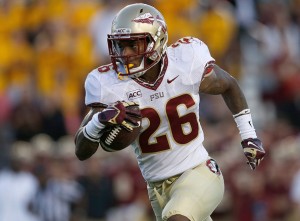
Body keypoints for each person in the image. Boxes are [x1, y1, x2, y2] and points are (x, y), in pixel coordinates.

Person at [74, 3, 266, 221]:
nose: (124, 54)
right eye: (120, 46)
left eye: (132, 45)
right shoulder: (107, 83)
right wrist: (99, 120)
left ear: (155, 41)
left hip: (198, 172)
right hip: (157, 189)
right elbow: (82, 151)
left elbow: (229, 85)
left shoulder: (184, 61)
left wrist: (249, 136)